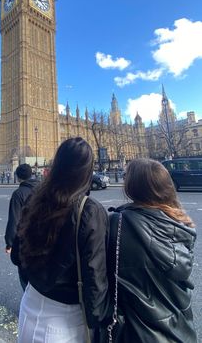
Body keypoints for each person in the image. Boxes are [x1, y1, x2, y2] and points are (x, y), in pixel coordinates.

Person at [11, 137, 109, 343]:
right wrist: (99, 324)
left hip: (29, 307)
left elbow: (17, 255)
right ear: (87, 170)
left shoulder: (35, 198)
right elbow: (95, 279)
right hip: (66, 323)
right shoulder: (89, 211)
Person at [108, 158, 197, 343]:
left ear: (133, 187)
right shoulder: (182, 223)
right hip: (179, 330)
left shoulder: (118, 223)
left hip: (137, 332)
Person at [5, 163, 38, 289]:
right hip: (45, 237)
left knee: (25, 276)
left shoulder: (18, 194)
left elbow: (14, 220)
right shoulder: (43, 189)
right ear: (31, 174)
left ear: (18, 177)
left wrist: (10, 243)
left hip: (26, 241)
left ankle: (29, 303)